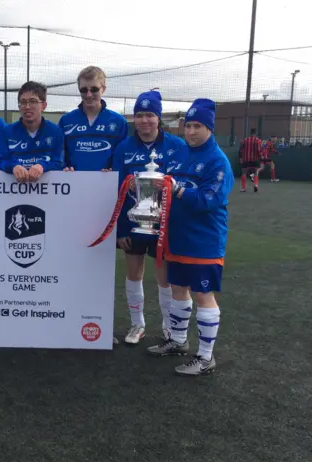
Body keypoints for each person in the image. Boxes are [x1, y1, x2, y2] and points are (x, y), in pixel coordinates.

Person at [147, 98, 234, 376]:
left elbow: (209, 200)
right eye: (188, 125)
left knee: (202, 294)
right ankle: (178, 341)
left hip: (203, 241)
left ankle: (206, 358)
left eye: (198, 126)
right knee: (177, 290)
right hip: (177, 237)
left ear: (209, 128)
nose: (191, 131)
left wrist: (177, 190)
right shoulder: (180, 154)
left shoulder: (218, 161)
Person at [112, 91, 186, 345]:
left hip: (164, 225)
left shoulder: (176, 146)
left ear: (159, 118)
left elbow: (183, 184)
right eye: (140, 115)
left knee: (164, 277)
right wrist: (121, 229)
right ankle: (137, 325)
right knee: (134, 271)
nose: (144, 120)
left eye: (150, 115)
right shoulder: (123, 148)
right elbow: (116, 189)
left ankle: (167, 326)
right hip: (134, 222)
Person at [58, 66, 128, 171]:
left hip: (106, 184)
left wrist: (112, 169)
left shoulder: (118, 122)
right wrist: (64, 168)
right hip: (73, 184)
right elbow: (58, 154)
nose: (89, 94)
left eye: (94, 89)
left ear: (103, 89)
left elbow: (123, 157)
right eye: (84, 90)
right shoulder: (66, 121)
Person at [0, 81, 64, 182]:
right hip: (12, 195)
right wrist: (13, 166)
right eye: (23, 102)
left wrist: (43, 166)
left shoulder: (55, 132)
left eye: (33, 101)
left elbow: (60, 162)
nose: (27, 106)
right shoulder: (6, 132)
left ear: (44, 105)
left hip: (47, 195)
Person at [238, 127, 262, 193]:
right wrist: (261, 157)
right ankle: (256, 185)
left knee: (244, 173)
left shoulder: (244, 140)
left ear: (250, 133)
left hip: (246, 160)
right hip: (255, 160)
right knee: (256, 172)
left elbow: (240, 151)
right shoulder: (258, 141)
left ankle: (243, 188)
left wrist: (240, 158)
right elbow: (259, 151)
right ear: (256, 133)